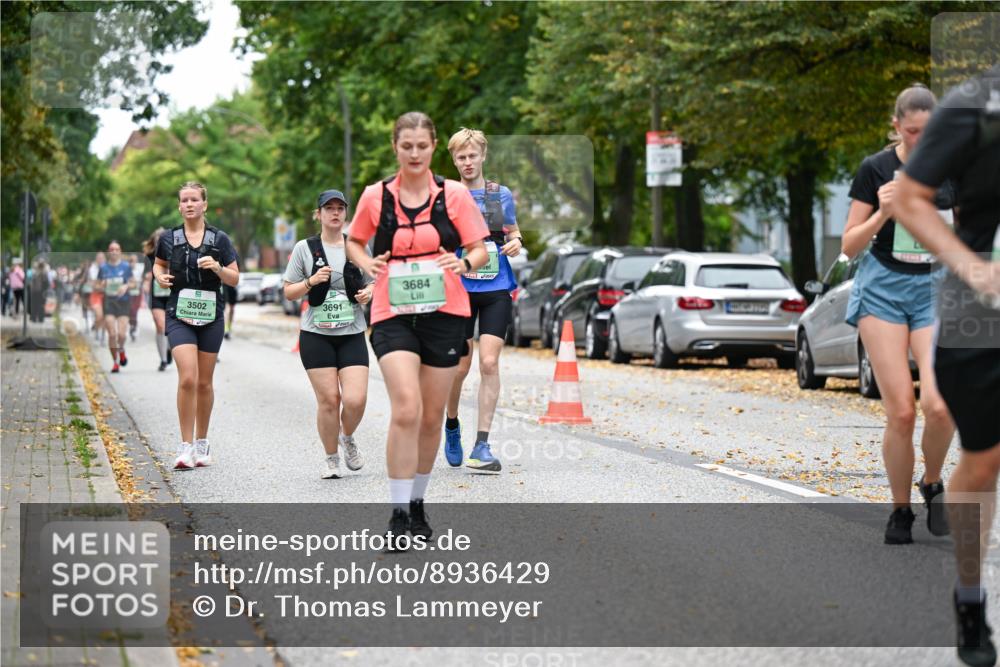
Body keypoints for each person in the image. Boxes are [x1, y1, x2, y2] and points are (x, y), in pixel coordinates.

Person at [895, 65, 1000, 667]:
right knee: (983, 462)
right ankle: (969, 595)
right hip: (981, 312)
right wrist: (973, 268)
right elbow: (910, 197)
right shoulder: (971, 108)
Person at [346, 111, 489, 549]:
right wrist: (363, 260)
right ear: (395, 146)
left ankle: (419, 503)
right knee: (405, 407)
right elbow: (355, 240)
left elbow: (480, 249)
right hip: (392, 311)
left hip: (446, 311)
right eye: (406, 146)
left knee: (430, 417)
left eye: (422, 146)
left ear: (432, 146)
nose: (414, 153)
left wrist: (463, 263)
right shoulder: (376, 196)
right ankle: (397, 512)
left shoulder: (454, 196)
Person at [841, 84, 956, 545]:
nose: (920, 141)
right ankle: (900, 509)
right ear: (897, 126)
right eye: (912, 132)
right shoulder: (876, 168)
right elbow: (849, 246)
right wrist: (883, 213)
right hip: (883, 289)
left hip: (935, 289)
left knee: (940, 405)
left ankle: (931, 481)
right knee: (903, 413)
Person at [443, 128, 523, 472]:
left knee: (489, 364)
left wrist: (516, 241)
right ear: (454, 160)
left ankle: (482, 445)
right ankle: (451, 424)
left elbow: (513, 230)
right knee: (459, 367)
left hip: (496, 287)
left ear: (483, 155)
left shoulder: (500, 195)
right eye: (461, 157)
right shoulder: (445, 196)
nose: (467, 162)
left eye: (472, 155)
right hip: (459, 289)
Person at [284, 189, 374, 479]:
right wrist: (310, 281)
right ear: (319, 214)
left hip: (352, 332)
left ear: (346, 213)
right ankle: (331, 458)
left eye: (340, 208)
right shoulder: (305, 248)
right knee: (329, 400)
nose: (335, 213)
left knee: (356, 399)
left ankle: (346, 437)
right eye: (329, 208)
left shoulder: (357, 246)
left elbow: (374, 282)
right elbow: (288, 292)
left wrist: (367, 294)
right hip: (316, 334)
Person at [153, 182, 239, 470]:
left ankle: (202, 442)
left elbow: (234, 278)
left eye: (194, 200)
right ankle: (185, 446)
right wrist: (159, 277)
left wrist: (216, 267)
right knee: (187, 377)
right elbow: (158, 264)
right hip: (179, 313)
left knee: (204, 382)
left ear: (204, 204)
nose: (189, 204)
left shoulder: (220, 240)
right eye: (184, 200)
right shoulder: (169, 238)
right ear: (179, 206)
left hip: (211, 314)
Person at [98, 241, 135, 372]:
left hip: (123, 302)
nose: (114, 251)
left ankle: (122, 349)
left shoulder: (126, 267)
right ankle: (115, 362)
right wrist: (102, 284)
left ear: (120, 251)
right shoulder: (103, 268)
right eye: (111, 249)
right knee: (112, 334)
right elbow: (97, 285)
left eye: (117, 249)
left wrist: (126, 286)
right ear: (109, 252)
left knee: (121, 334)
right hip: (109, 302)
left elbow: (133, 284)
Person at [143, 228, 171, 371]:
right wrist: (146, 282)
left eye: (163, 237)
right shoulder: (149, 256)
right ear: (153, 240)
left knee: (171, 328)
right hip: (156, 296)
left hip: (172, 295)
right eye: (157, 237)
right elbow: (146, 275)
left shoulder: (175, 252)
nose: (160, 239)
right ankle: (163, 360)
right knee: (161, 326)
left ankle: (169, 348)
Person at [89, 252, 106, 343]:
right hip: (96, 295)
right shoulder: (93, 269)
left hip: (106, 295)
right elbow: (94, 284)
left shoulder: (107, 267)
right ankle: (96, 326)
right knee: (99, 315)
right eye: (99, 258)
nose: (100, 260)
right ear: (96, 259)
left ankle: (102, 335)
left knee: (105, 317)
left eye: (102, 258)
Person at [128, 254, 144, 341]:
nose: (132, 263)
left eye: (134, 261)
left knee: (135, 310)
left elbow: (143, 278)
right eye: (131, 261)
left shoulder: (140, 268)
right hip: (129, 293)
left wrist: (137, 281)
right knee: (130, 310)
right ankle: (132, 325)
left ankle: (134, 327)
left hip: (137, 293)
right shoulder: (127, 269)